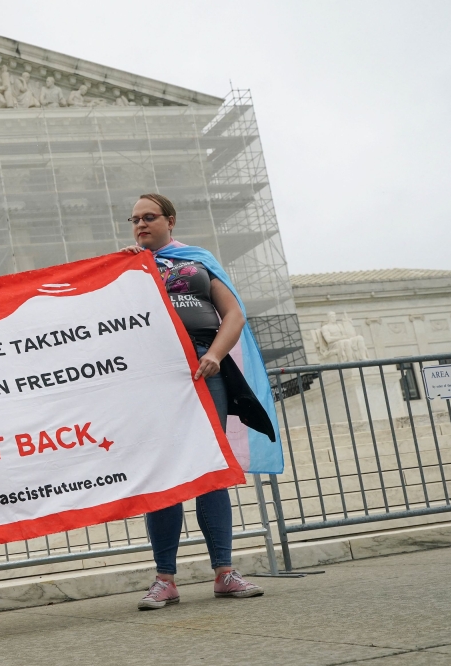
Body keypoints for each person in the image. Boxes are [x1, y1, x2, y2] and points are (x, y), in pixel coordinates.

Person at [123, 193, 267, 609]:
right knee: (165, 472)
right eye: (134, 219)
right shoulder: (127, 266)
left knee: (212, 467)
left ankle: (224, 571)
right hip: (156, 375)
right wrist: (125, 269)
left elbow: (234, 314)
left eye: (148, 217)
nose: (140, 224)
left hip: (206, 369)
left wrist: (215, 355)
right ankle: (165, 579)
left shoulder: (199, 258)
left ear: (170, 219)